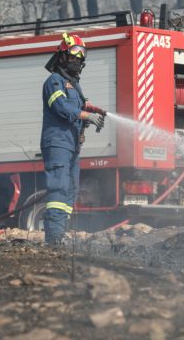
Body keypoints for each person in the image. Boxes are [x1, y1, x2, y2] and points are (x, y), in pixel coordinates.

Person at [40, 33, 104, 245]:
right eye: (75, 53)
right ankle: (54, 237)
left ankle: (60, 232)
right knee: (59, 188)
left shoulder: (75, 87)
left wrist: (87, 118)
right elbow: (61, 107)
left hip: (72, 145)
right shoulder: (54, 81)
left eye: (82, 54)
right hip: (58, 143)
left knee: (71, 190)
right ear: (63, 56)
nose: (79, 58)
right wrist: (86, 115)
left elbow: (78, 109)